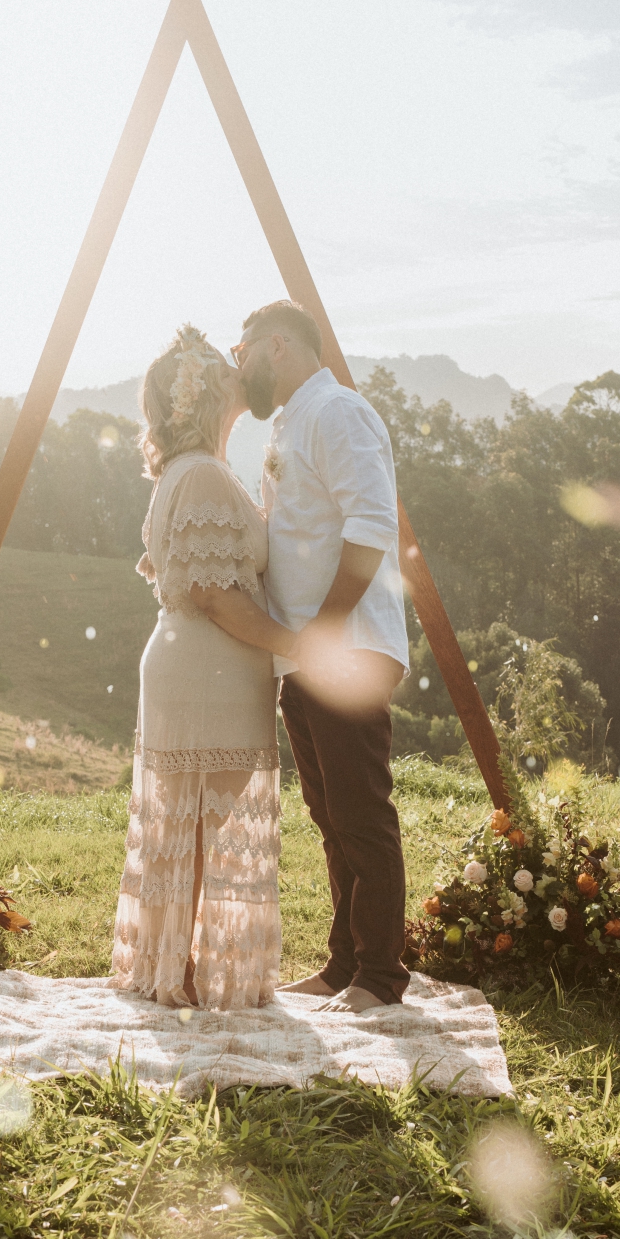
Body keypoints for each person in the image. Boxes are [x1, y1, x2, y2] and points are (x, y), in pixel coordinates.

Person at [111, 325, 299, 1009]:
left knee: (191, 825)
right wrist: (297, 644)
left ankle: (174, 964)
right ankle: (177, 971)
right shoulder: (202, 476)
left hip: (200, 670)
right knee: (192, 826)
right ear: (205, 392)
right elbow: (216, 596)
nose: (237, 369)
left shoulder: (192, 473)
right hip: (204, 672)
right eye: (226, 366)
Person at [234, 299, 410, 1012]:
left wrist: (327, 630)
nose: (237, 364)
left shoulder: (338, 413)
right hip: (305, 655)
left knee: (361, 812)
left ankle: (380, 977)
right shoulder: (291, 421)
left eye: (240, 349)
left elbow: (370, 525)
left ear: (276, 346)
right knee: (331, 816)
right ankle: (344, 966)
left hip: (347, 646)